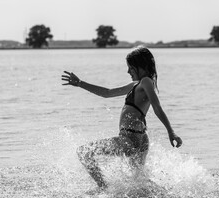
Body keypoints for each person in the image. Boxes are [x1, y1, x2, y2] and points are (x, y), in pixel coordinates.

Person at [61, 46, 182, 189]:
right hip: (138, 138)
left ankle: (104, 189)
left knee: (84, 152)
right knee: (138, 181)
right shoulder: (136, 84)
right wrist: (80, 83)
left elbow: (157, 107)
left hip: (129, 139)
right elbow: (107, 93)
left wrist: (171, 131)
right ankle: (165, 194)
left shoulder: (146, 82)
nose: (128, 71)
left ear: (140, 66)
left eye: (130, 67)